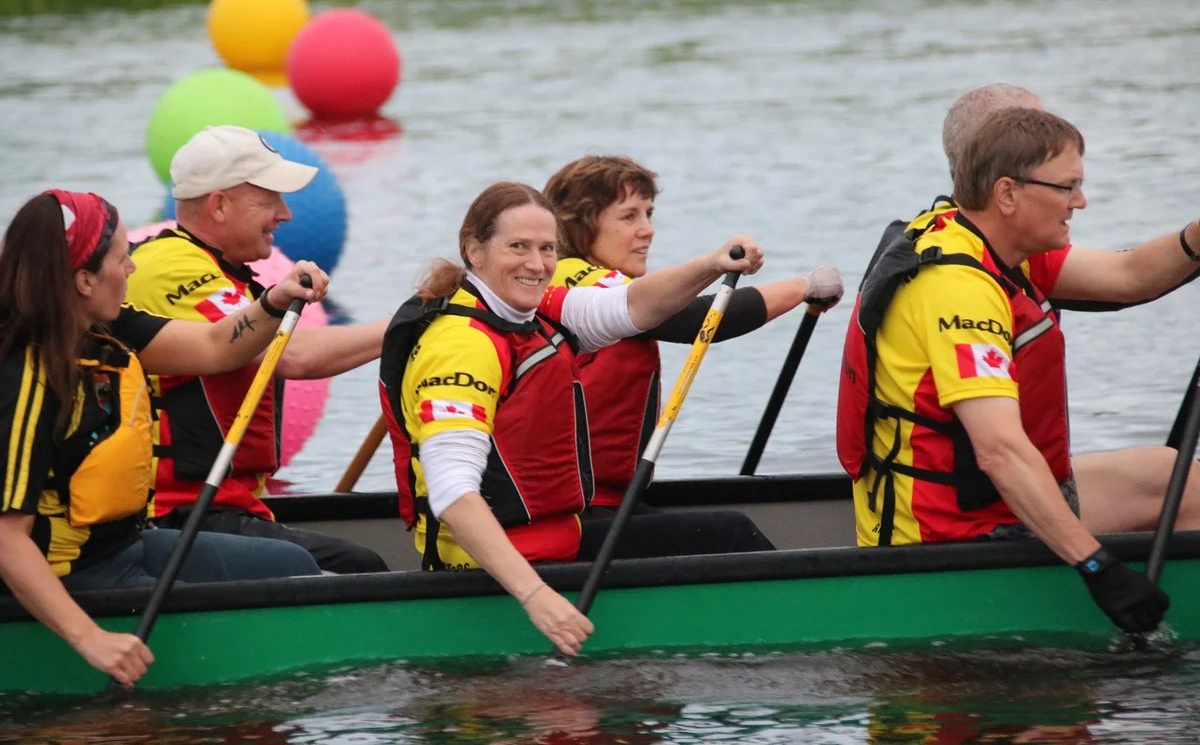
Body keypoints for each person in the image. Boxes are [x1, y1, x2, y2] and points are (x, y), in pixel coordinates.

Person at [835, 101, 1200, 635]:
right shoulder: (957, 288)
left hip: (989, 500)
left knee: (1179, 477)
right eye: (1067, 187)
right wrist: (1097, 567)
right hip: (954, 530)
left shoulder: (988, 239)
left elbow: (1129, 276)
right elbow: (1000, 451)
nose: (1081, 202)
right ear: (1007, 193)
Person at [378, 181, 775, 656]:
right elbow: (452, 493)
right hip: (496, 569)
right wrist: (536, 596)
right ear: (474, 251)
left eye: (547, 249)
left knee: (721, 531)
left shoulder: (527, 315)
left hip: (556, 542)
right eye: (518, 247)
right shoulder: (461, 344)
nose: (537, 264)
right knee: (726, 535)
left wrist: (713, 264)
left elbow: (633, 306)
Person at [0, 189, 326, 687]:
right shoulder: (24, 374)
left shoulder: (106, 328)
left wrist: (274, 300)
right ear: (84, 280)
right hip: (70, 575)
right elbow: (5, 539)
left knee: (292, 565)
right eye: (119, 259)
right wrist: (90, 639)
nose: (131, 269)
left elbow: (215, 346)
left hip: (124, 545)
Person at [125, 125, 389, 574]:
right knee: (357, 566)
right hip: (173, 516)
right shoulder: (168, 267)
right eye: (269, 199)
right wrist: (406, 324)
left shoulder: (218, 268)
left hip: (228, 508)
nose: (285, 214)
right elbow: (292, 356)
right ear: (219, 204)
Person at [543, 155, 844, 509]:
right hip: (579, 507)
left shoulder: (594, 278)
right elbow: (697, 321)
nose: (648, 229)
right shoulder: (574, 277)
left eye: (649, 214)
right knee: (734, 534)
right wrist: (804, 286)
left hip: (608, 498)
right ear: (579, 225)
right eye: (629, 216)